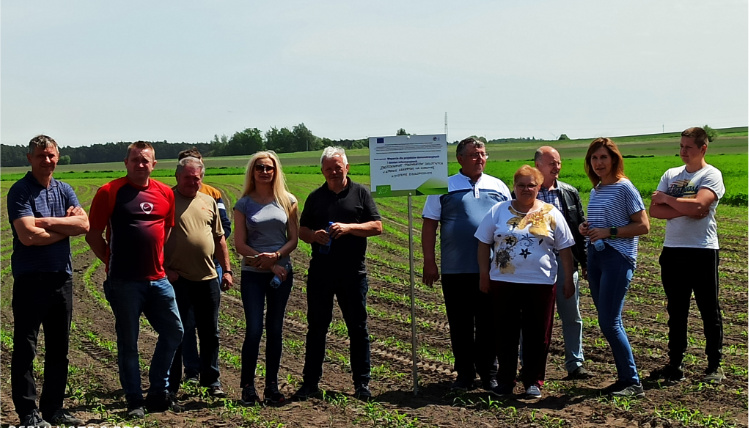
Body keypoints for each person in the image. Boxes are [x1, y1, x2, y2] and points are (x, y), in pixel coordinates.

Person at [86, 141, 184, 416]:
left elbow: (165, 229)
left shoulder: (165, 193)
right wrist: (111, 260)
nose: (141, 165)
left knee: (174, 331)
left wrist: (156, 260)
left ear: (154, 164)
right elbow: (93, 235)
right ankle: (134, 401)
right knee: (128, 342)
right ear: (126, 163)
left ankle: (157, 392)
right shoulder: (109, 191)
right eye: (135, 160)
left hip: (158, 280)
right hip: (124, 282)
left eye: (146, 161)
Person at [7, 135, 88, 427]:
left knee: (59, 349)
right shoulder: (20, 191)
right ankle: (28, 413)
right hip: (31, 280)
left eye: (51, 155)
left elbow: (85, 224)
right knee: (26, 348)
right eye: (41, 155)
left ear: (58, 157)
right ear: (30, 158)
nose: (47, 160)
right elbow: (27, 236)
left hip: (61, 279)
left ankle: (53, 409)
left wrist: (44, 222)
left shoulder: (64, 190)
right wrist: (66, 228)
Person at [475, 165, 575, 398]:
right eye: (521, 185)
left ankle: (533, 380)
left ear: (539, 187)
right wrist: (483, 274)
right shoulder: (498, 211)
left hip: (540, 283)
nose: (526, 189)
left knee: (538, 334)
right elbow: (482, 243)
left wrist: (567, 279)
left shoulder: (551, 213)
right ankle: (506, 380)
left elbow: (566, 249)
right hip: (503, 282)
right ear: (514, 186)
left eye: (531, 185)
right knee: (505, 332)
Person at [292, 147, 382, 402]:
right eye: (328, 168)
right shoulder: (315, 197)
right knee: (317, 328)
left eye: (337, 166)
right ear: (322, 171)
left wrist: (350, 228)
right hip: (321, 273)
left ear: (347, 167)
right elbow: (303, 230)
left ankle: (362, 383)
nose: (333, 171)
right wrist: (314, 235)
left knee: (358, 328)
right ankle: (310, 383)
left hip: (353, 273)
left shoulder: (360, 193)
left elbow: (377, 226)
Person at [421, 137, 510, 391]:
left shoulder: (499, 187)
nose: (479, 158)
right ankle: (464, 374)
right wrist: (430, 261)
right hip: (455, 268)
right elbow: (429, 225)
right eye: (473, 154)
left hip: (492, 269)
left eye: (482, 154)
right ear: (459, 159)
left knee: (488, 324)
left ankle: (489, 373)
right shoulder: (443, 186)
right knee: (460, 323)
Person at [648, 127, 726, 384]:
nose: (683, 151)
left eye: (688, 147)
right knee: (676, 310)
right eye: (681, 146)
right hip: (673, 250)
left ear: (703, 148)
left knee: (708, 309)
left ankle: (714, 366)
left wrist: (668, 199)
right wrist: (684, 207)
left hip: (702, 250)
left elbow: (701, 205)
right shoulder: (671, 174)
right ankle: (675, 364)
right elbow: (655, 211)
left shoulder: (711, 174)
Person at [578, 137, 650, 398]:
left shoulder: (624, 187)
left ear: (614, 159)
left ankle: (632, 381)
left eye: (603, 158)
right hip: (596, 257)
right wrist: (585, 227)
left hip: (617, 258)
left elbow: (643, 225)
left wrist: (610, 232)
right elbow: (599, 223)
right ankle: (624, 378)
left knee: (610, 321)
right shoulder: (597, 189)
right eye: (594, 158)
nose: (598, 163)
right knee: (606, 320)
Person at [165, 156, 233, 398]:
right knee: (177, 332)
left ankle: (211, 380)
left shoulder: (208, 200)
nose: (192, 182)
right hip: (177, 279)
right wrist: (165, 269)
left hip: (207, 277)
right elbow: (155, 239)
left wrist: (226, 270)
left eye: (197, 178)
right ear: (177, 177)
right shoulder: (167, 199)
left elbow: (220, 238)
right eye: (187, 178)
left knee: (210, 332)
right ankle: (171, 384)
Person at [234, 151, 299, 405]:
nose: (264, 171)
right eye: (259, 167)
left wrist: (277, 256)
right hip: (253, 274)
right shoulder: (244, 204)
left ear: (275, 171)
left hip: (281, 274)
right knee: (253, 330)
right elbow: (240, 244)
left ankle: (272, 386)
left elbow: (292, 238)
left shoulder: (288, 201)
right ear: (253, 172)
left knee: (275, 329)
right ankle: (248, 387)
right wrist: (267, 262)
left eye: (269, 168)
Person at [534, 146, 592, 379]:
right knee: (533, 317)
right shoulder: (526, 192)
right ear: (538, 165)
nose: (557, 167)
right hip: (535, 264)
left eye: (558, 162)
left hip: (566, 262)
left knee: (572, 315)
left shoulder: (569, 192)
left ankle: (575, 363)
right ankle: (529, 364)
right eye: (552, 163)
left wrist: (585, 260)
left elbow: (581, 228)